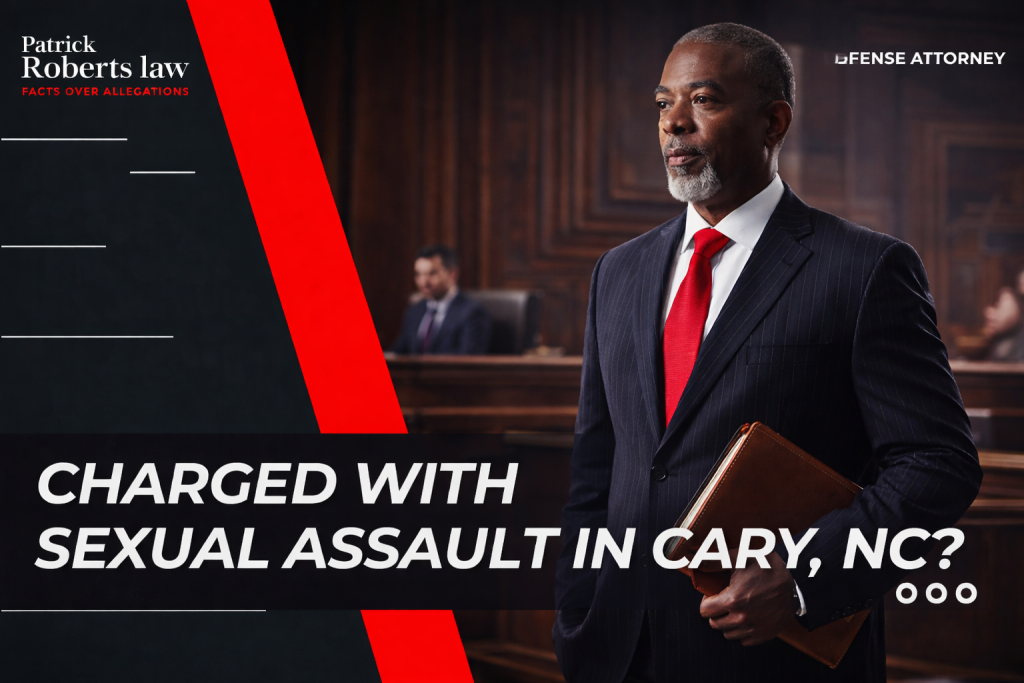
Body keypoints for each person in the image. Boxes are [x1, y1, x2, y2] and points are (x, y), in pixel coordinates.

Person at [552, 23, 982, 683]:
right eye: (664, 104)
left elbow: (939, 464)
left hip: (775, 654)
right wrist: (577, 614)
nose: (675, 124)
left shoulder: (865, 268)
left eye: (705, 100)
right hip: (616, 651)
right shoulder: (618, 270)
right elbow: (597, 468)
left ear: (773, 121)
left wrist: (805, 580)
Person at [391, 243, 491, 354]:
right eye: (418, 274)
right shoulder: (415, 310)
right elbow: (399, 353)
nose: (423, 282)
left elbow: (468, 360)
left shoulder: (472, 313)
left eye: (432, 273)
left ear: (453, 274)